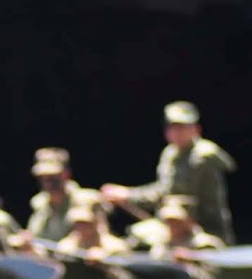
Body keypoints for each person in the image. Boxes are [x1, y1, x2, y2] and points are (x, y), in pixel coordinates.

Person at [102, 101, 236, 243]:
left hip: (202, 231)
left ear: (196, 129)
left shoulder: (202, 156)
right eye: (172, 127)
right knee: (136, 235)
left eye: (182, 127)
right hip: (174, 226)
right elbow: (163, 188)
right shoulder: (171, 153)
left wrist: (128, 195)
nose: (176, 132)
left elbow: (169, 194)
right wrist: (125, 194)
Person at [16, 147, 101, 247]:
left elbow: (104, 239)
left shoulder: (87, 200)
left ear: (66, 173)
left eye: (53, 176)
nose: (48, 181)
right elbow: (37, 239)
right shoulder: (39, 203)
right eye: (43, 176)